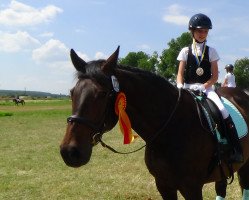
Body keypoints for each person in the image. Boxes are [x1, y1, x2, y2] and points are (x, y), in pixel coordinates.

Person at [176, 13, 243, 163]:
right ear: (192, 31)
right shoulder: (185, 51)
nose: (202, 34)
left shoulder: (212, 51)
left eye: (205, 31)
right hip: (187, 87)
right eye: (200, 31)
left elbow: (214, 76)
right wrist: (180, 86)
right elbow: (180, 74)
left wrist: (204, 86)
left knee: (223, 110)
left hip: (206, 88)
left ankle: (234, 147)